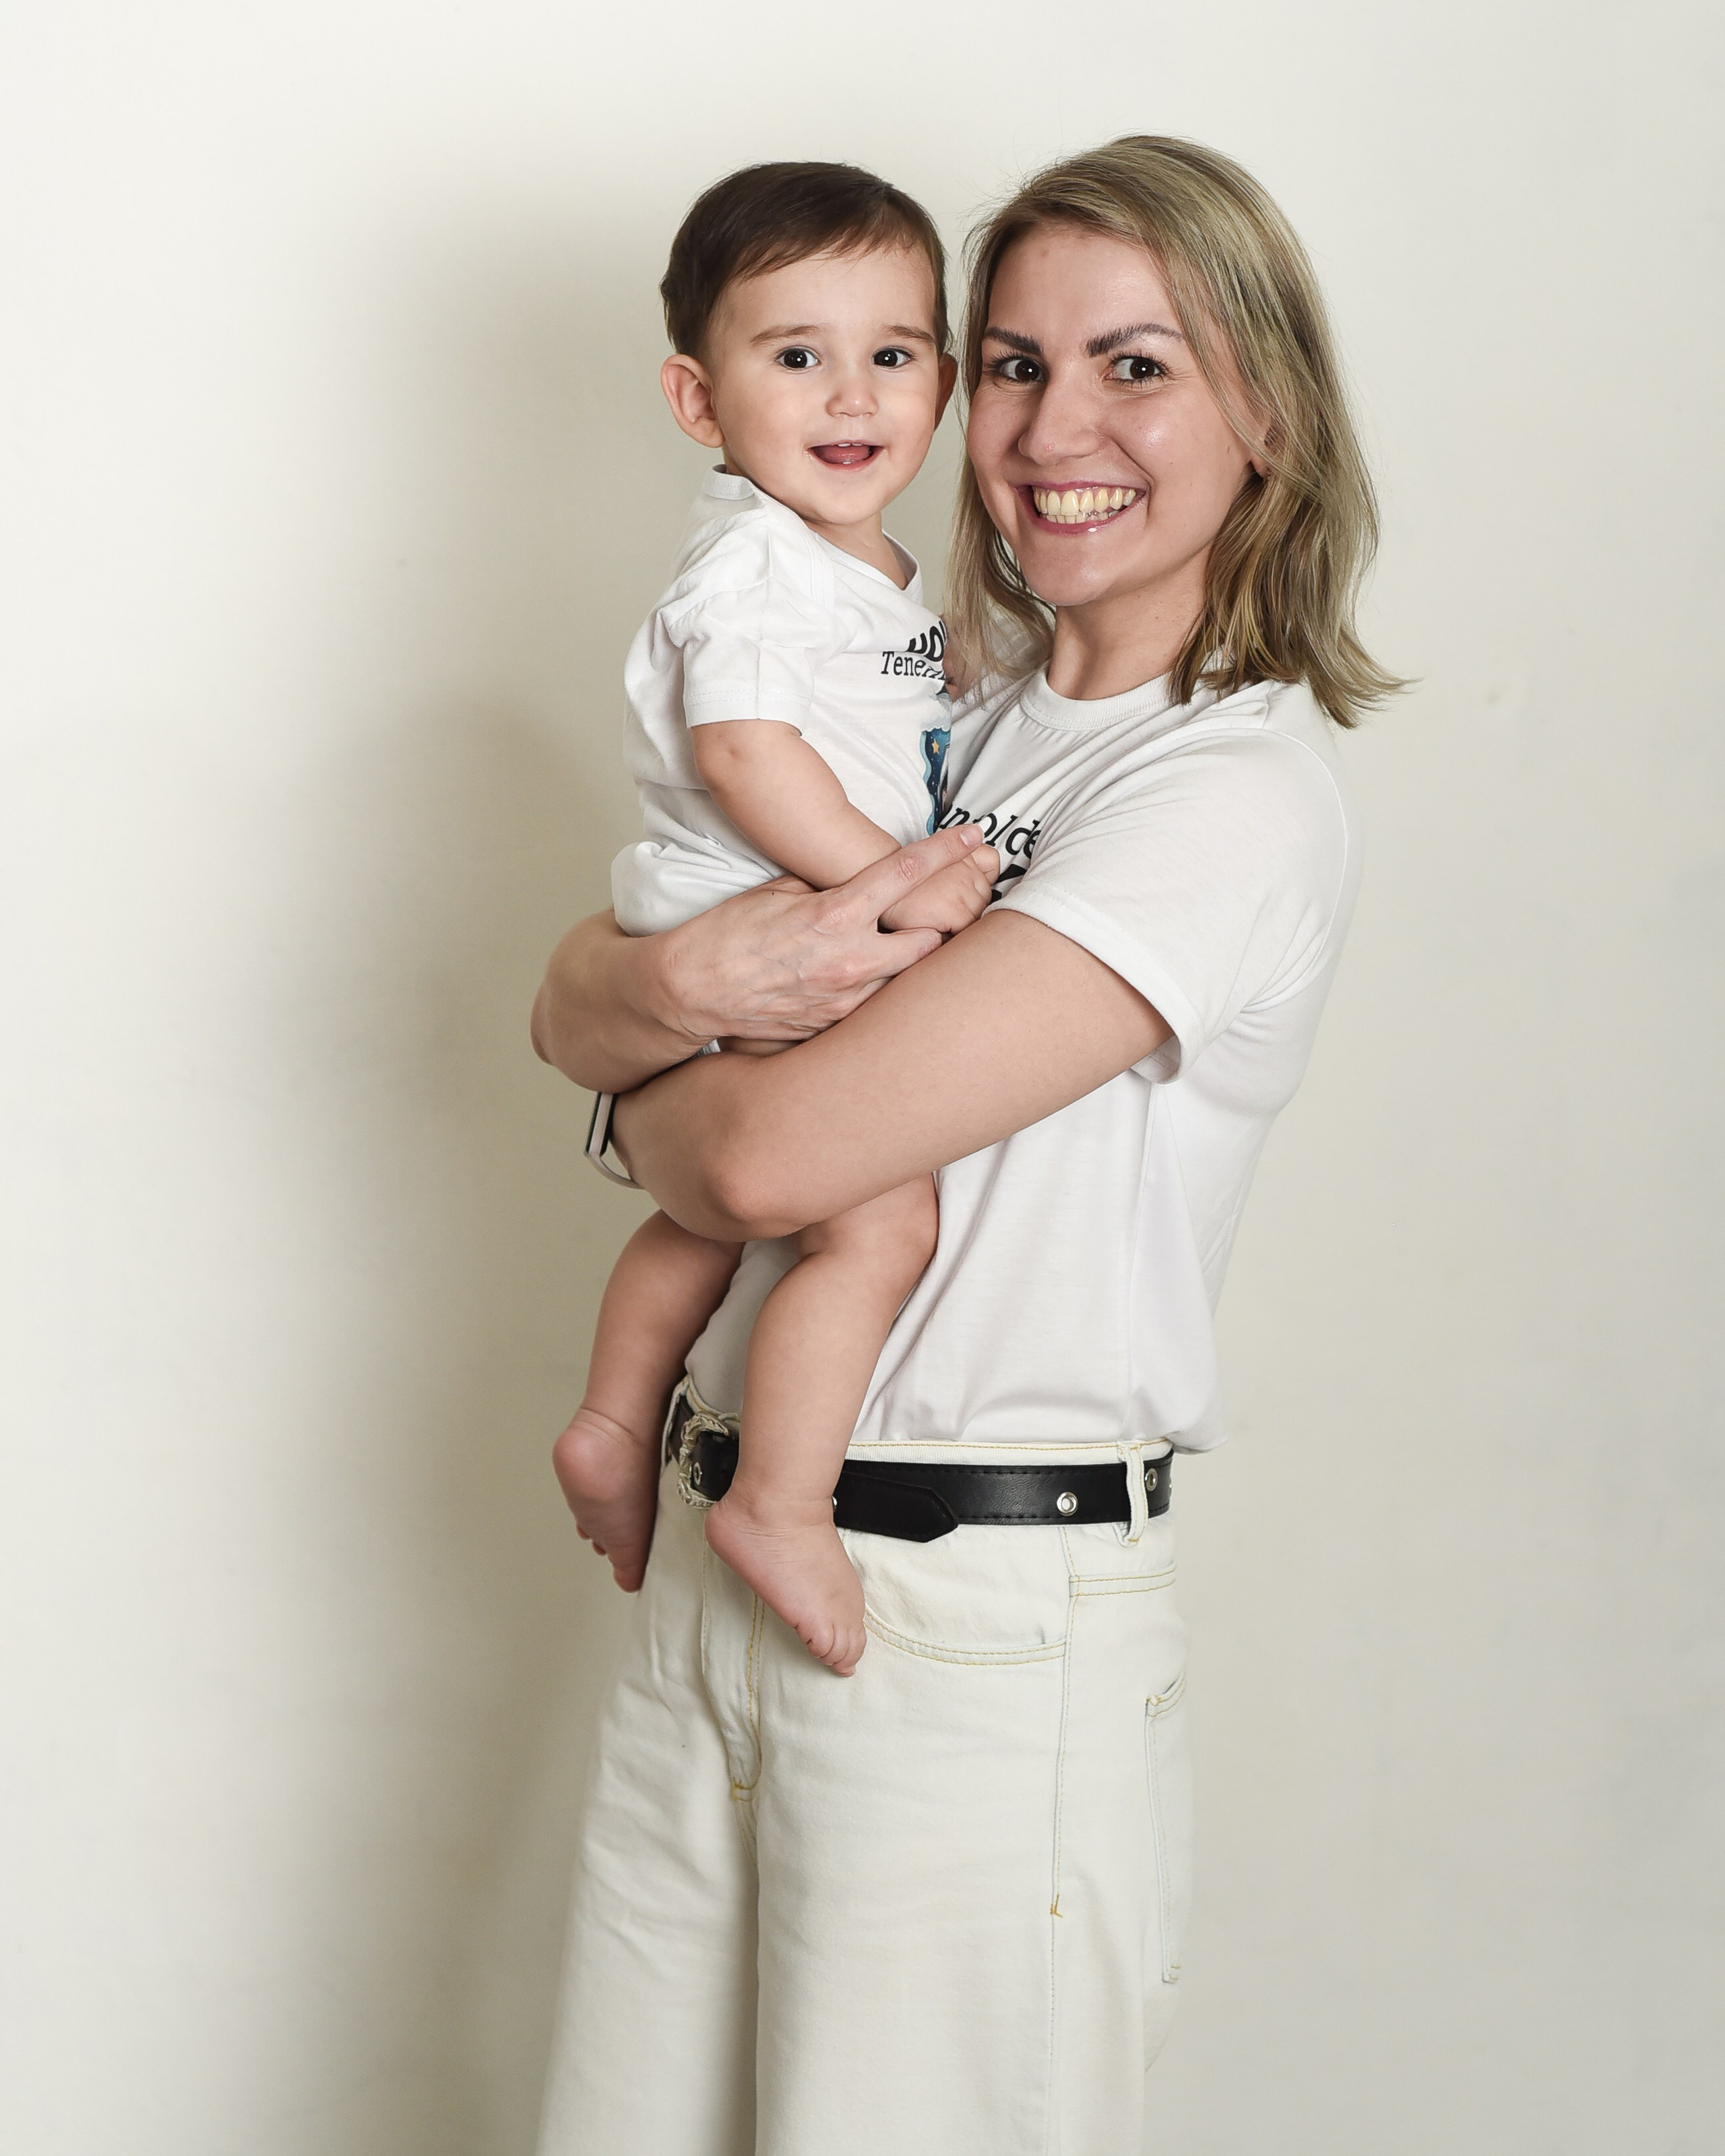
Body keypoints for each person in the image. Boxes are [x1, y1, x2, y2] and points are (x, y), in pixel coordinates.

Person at [534, 134, 1398, 2156]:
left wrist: (665, 1022)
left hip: (977, 1632)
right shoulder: (949, 725)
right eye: (1009, 364)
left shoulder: (1222, 794)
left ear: (1263, 409)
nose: (1049, 429)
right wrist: (669, 1003)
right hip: (728, 1574)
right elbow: (573, 997)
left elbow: (748, 1156)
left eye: (1136, 366)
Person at [553, 163, 994, 1678]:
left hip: (764, 904)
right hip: (762, 904)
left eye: (892, 351)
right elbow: (743, 751)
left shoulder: (858, 567)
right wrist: (891, 877)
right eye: (793, 354)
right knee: (878, 1215)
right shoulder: (751, 562)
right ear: (697, 398)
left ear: (941, 374)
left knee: (707, 1209)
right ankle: (785, 1504)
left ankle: (615, 1422)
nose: (849, 391)